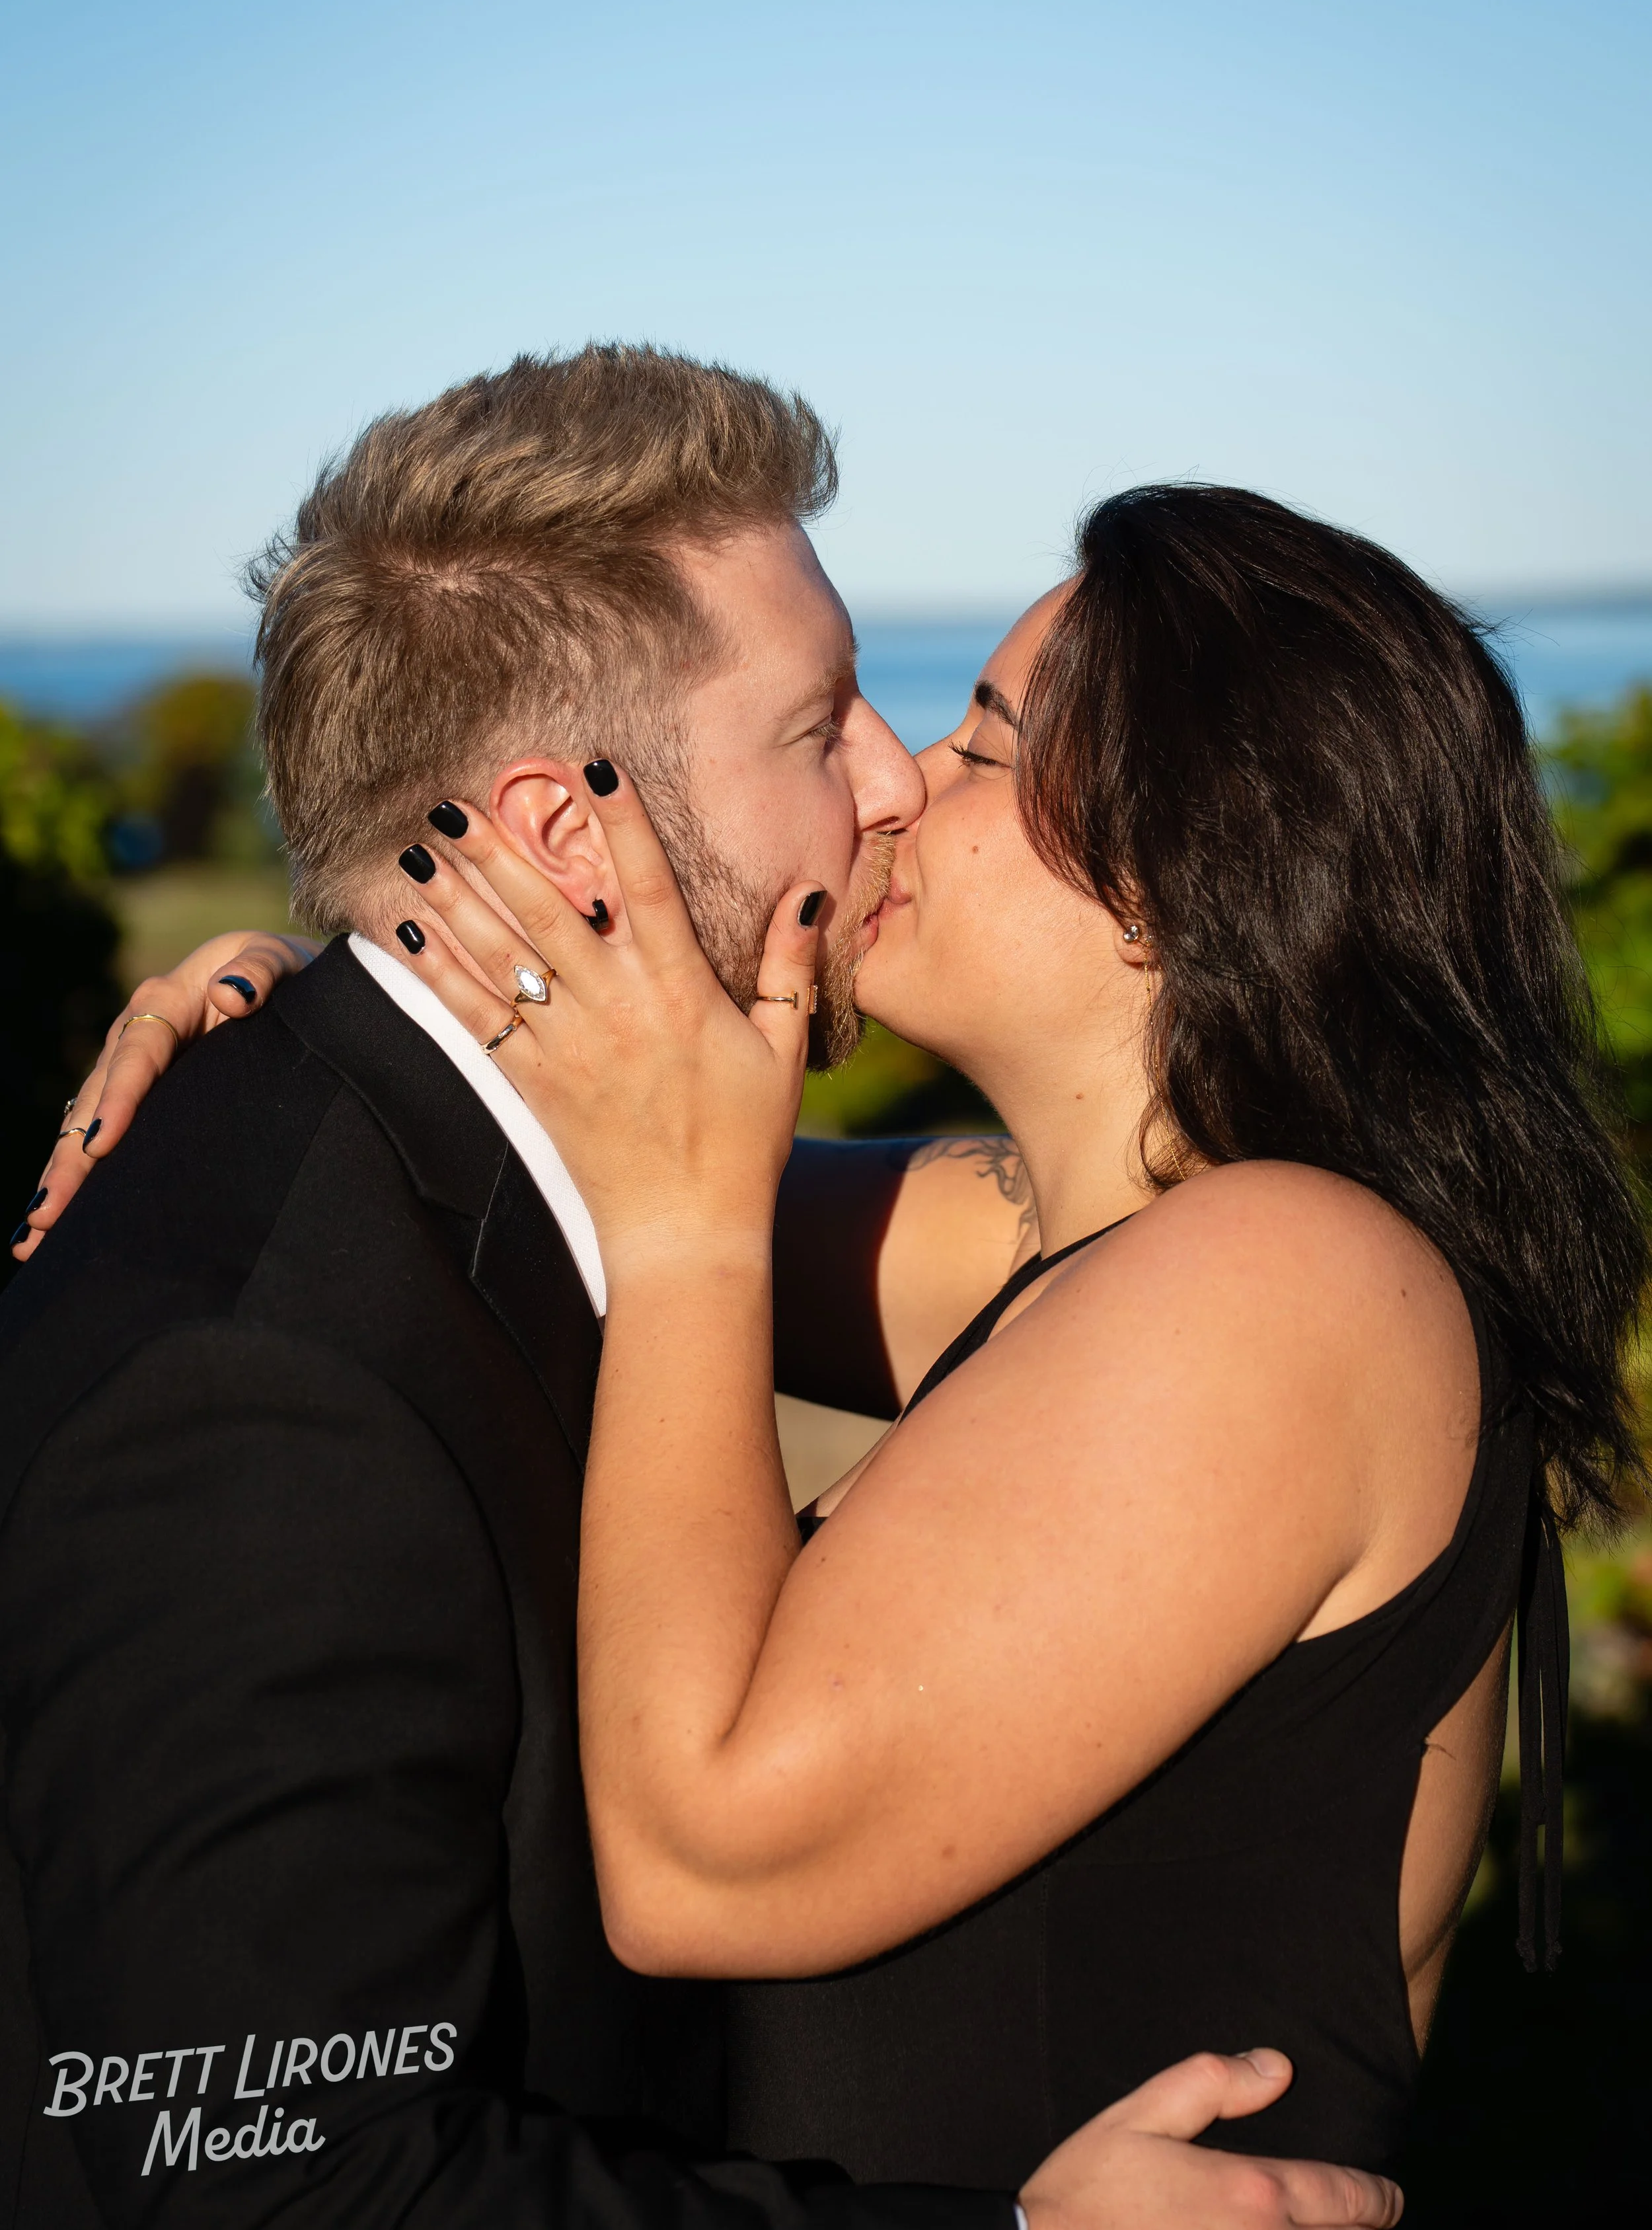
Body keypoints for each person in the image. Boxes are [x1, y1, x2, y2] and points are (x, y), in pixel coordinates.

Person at [0, 352, 1399, 2230]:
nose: (889, 783)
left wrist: (338, 981)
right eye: (820, 722)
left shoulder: (584, 1190)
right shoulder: (267, 1388)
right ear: (565, 834)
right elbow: (266, 2178)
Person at [336, 484, 1643, 2185]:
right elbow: (541, 1168)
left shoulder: (1280, 1283)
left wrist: (683, 1236)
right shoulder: (1062, 1240)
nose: (888, 792)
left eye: (975, 746)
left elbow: (703, 1858)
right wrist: (309, 1020)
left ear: (1174, 879)